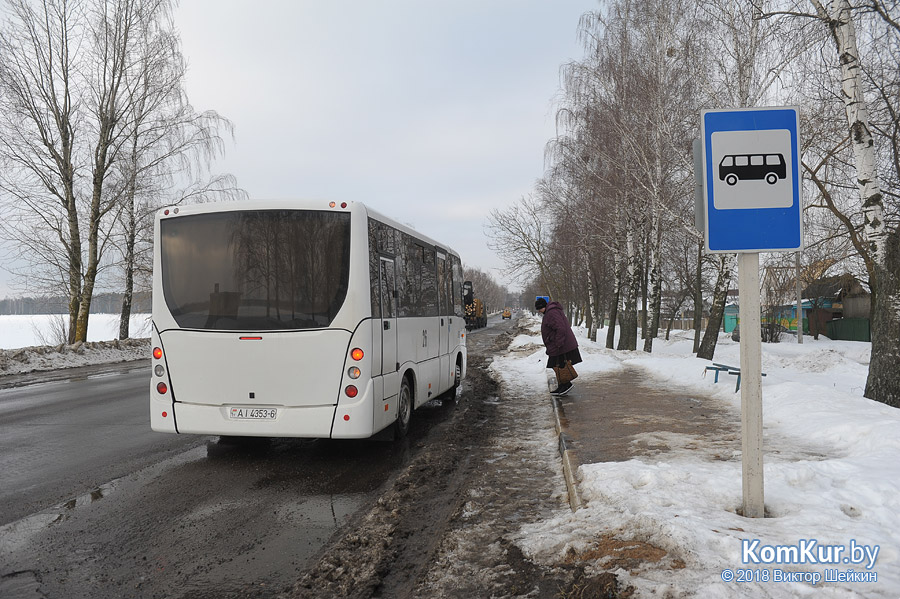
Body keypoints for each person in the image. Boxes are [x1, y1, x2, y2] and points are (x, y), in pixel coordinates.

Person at [535, 297, 582, 396]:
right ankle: (562, 385)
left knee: (558, 365)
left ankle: (566, 385)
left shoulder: (551, 312)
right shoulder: (551, 311)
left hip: (560, 345)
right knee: (558, 365)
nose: (539, 311)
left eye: (539, 309)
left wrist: (558, 343)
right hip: (557, 344)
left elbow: (560, 328)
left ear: (543, 307)